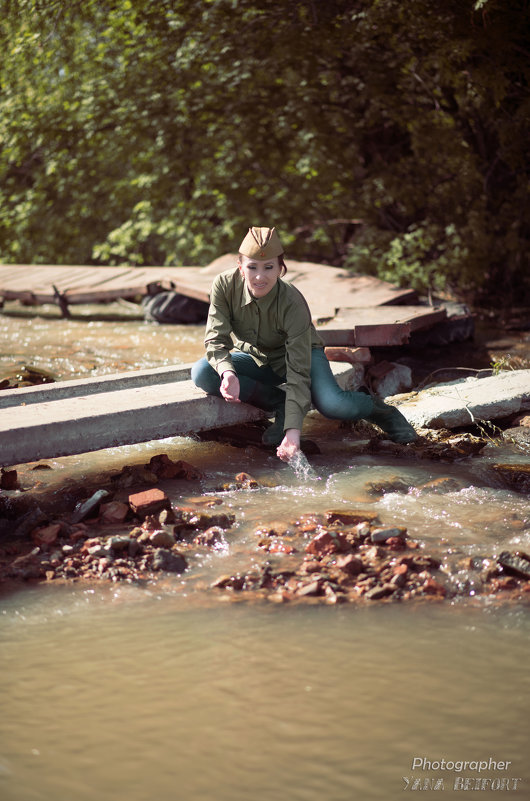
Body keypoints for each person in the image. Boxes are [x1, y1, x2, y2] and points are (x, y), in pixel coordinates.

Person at [191, 226, 417, 463]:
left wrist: (293, 434)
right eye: (252, 267)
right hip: (256, 356)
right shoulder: (224, 285)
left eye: (269, 267)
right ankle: (279, 403)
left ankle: (384, 413)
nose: (260, 276)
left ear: (281, 269)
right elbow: (216, 338)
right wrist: (228, 373)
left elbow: (298, 370)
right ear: (240, 268)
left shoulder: (292, 301)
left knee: (333, 405)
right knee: (204, 372)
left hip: (303, 355)